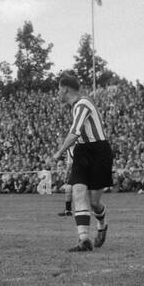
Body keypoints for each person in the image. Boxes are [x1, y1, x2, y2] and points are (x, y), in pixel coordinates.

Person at [49, 73, 112, 252]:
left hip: (99, 151)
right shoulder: (76, 106)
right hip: (82, 151)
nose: (58, 94)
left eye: (58, 90)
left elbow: (75, 132)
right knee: (78, 192)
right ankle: (84, 239)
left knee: (94, 201)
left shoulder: (83, 103)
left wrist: (59, 152)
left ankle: (102, 225)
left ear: (65, 89)